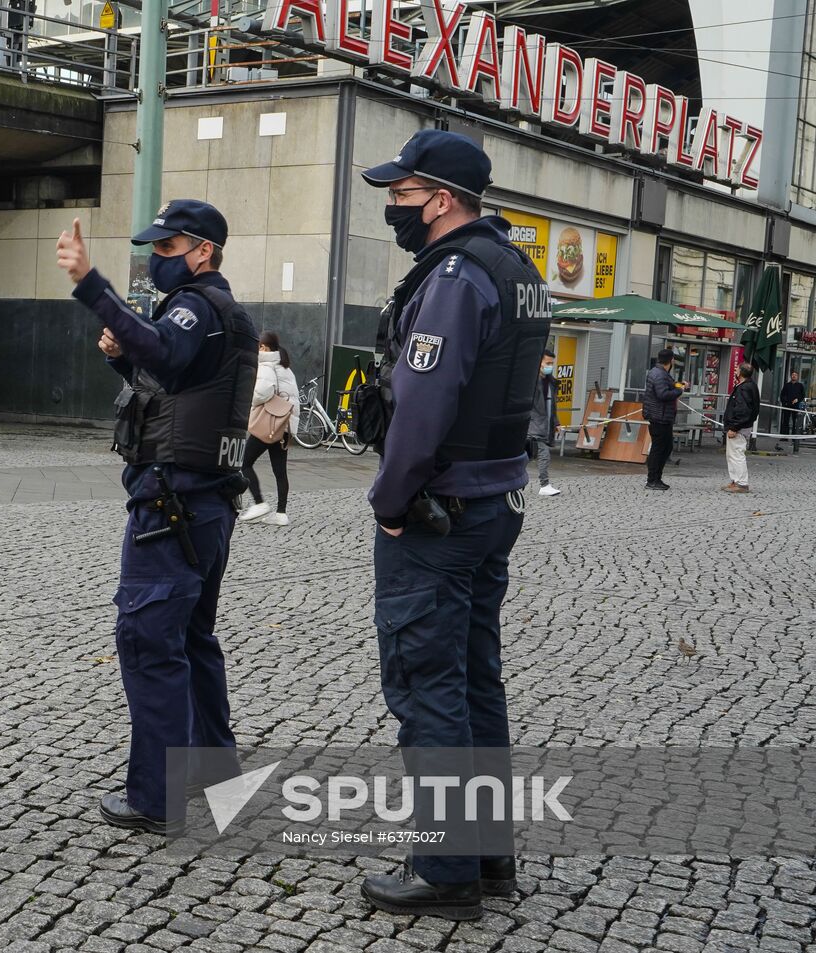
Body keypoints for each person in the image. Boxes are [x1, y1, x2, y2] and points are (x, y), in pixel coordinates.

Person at [358, 130, 552, 920]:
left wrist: (390, 502)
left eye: (401, 193)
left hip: (443, 510)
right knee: (476, 683)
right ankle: (487, 851)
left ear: (439, 198)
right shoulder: (518, 267)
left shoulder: (455, 275)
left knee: (427, 685)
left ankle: (446, 870)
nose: (393, 206)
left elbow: (422, 408)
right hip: (497, 499)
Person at [56, 199, 257, 835]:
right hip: (206, 498)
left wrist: (93, 286)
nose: (156, 259)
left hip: (174, 500)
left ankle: (156, 795)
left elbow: (167, 355)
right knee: (193, 636)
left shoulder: (198, 306)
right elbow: (168, 376)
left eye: (168, 249)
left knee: (149, 641)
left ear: (204, 252)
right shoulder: (218, 312)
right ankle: (213, 770)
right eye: (154, 250)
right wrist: (123, 354)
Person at [239, 330, 299, 525]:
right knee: (280, 470)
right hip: (284, 425)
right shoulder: (285, 366)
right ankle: (281, 513)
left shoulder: (266, 364)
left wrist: (251, 399)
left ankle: (259, 503)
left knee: (244, 463)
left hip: (269, 423)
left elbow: (263, 393)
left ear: (264, 348)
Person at [641, 348, 688, 491]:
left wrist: (678, 385)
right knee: (659, 449)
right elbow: (662, 394)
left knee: (666, 447)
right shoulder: (660, 374)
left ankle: (656, 478)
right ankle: (652, 479)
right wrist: (680, 390)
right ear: (671, 360)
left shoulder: (657, 372)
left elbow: (666, 388)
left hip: (661, 416)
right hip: (659, 417)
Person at [722, 363, 760, 493]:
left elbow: (743, 410)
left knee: (737, 454)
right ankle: (735, 480)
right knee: (732, 454)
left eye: (737, 369)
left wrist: (734, 426)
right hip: (741, 426)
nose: (736, 371)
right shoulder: (748, 386)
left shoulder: (745, 388)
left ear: (741, 373)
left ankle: (742, 483)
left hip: (739, 427)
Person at [529, 349, 562, 497]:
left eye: (552, 363)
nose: (550, 366)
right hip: (534, 425)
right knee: (543, 454)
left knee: (525, 456)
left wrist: (556, 423)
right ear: (539, 363)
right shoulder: (531, 381)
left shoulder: (550, 382)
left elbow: (552, 406)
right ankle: (544, 485)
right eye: (548, 363)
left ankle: (507, 482)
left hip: (542, 424)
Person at [780, 371, 805, 453]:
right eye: (793, 375)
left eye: (795, 375)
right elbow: (782, 395)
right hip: (787, 406)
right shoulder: (787, 385)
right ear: (791, 376)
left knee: (795, 422)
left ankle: (794, 438)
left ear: (797, 377)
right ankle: (784, 437)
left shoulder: (800, 386)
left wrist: (797, 399)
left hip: (796, 406)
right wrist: (785, 401)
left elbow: (802, 395)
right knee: (785, 421)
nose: (794, 376)